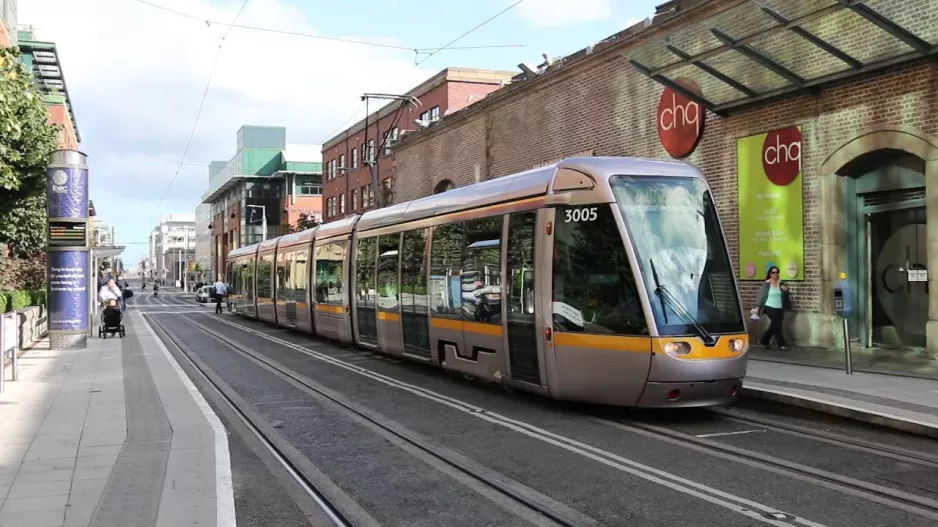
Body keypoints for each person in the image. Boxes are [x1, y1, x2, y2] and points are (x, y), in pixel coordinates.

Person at [756, 266, 791, 349]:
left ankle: (764, 340)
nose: (775, 274)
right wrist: (758, 308)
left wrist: (786, 291)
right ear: (770, 274)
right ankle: (782, 343)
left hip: (779, 307)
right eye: (773, 272)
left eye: (777, 272)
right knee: (777, 325)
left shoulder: (781, 283)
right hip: (769, 307)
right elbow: (761, 296)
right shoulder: (766, 284)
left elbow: (785, 297)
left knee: (774, 325)